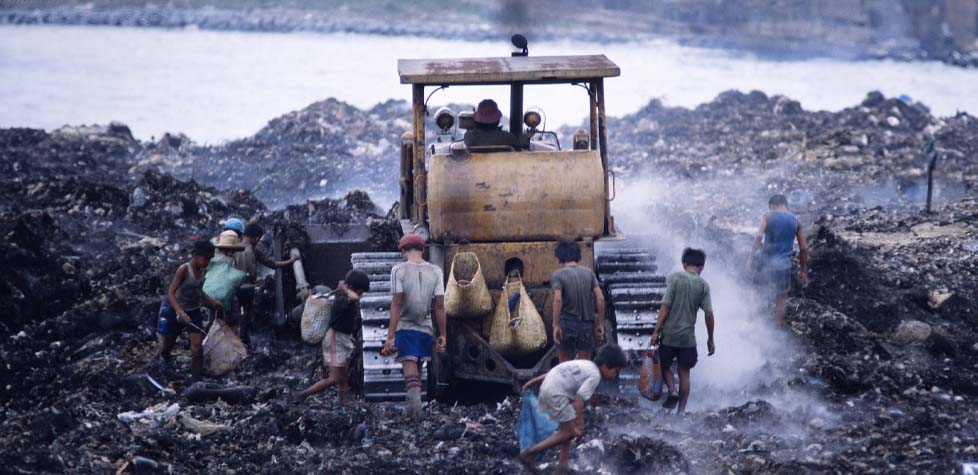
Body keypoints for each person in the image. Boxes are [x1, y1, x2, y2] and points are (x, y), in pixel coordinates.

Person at [519, 344, 628, 474]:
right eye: (615, 371)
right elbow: (579, 400)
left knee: (567, 429)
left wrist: (534, 380)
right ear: (606, 366)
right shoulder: (595, 376)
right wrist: (580, 423)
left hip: (550, 387)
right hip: (556, 394)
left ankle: (563, 466)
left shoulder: (586, 364)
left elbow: (559, 369)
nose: (615, 375)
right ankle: (530, 452)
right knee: (568, 432)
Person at [380, 233, 447, 419]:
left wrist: (390, 335)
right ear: (422, 249)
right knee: (417, 372)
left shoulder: (398, 270)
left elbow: (396, 304)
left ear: (403, 251)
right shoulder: (436, 271)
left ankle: (416, 415)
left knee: (410, 377)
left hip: (405, 327)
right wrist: (443, 334)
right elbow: (440, 305)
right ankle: (411, 412)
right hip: (426, 329)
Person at [650, 248, 715, 415]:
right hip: (688, 339)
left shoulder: (674, 278)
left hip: (669, 336)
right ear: (702, 267)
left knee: (664, 365)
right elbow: (709, 314)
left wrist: (656, 331)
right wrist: (710, 339)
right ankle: (681, 412)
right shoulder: (703, 285)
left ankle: (672, 390)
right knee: (685, 372)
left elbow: (665, 306)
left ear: (684, 264)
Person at [292, 269, 371, 404]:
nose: (361, 296)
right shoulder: (342, 298)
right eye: (360, 292)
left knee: (343, 379)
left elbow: (354, 297)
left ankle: (343, 403)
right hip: (335, 339)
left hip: (344, 339)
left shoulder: (344, 296)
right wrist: (345, 289)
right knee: (334, 378)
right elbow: (354, 297)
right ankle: (302, 395)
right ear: (351, 288)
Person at [157, 240, 225, 382]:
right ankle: (163, 366)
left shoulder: (201, 271)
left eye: (209, 259)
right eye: (205, 258)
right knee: (168, 344)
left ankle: (195, 381)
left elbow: (199, 291)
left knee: (197, 348)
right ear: (196, 255)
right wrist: (179, 312)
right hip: (175, 309)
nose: (207, 262)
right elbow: (171, 293)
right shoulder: (184, 270)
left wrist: (212, 302)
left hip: (193, 311)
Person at [747, 194, 809, 325]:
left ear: (772, 205)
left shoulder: (768, 215)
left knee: (757, 293)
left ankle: (752, 324)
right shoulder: (796, 221)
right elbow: (803, 248)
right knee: (780, 301)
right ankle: (777, 332)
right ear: (785, 205)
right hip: (784, 267)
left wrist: (751, 257)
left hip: (766, 263)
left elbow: (758, 236)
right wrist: (803, 271)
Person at [233, 222, 298, 345]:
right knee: (246, 314)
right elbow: (272, 264)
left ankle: (237, 339)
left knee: (237, 314)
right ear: (257, 238)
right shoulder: (253, 250)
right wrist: (291, 261)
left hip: (233, 287)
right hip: (248, 288)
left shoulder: (233, 248)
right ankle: (243, 340)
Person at [551, 240, 605, 362]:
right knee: (585, 363)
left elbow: (558, 299)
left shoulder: (558, 275)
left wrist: (555, 325)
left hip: (567, 324)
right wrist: (600, 323)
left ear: (560, 256)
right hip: (586, 325)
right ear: (578, 255)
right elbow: (600, 298)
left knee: (565, 363)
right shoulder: (589, 273)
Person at [463, 99, 532, 150]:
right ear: (497, 121)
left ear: (477, 120)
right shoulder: (506, 137)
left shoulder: (469, 136)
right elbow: (520, 142)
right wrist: (528, 135)